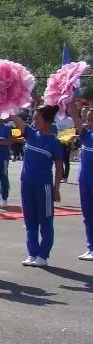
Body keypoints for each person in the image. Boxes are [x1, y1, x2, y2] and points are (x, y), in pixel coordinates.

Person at [12, 104, 65, 267]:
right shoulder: (31, 134)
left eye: (37, 118)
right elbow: (15, 119)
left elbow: (58, 168)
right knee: (30, 221)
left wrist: (56, 189)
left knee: (46, 221)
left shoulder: (54, 143)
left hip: (44, 187)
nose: (33, 121)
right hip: (26, 184)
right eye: (33, 118)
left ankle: (43, 255)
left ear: (47, 121)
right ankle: (32, 253)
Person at [75, 99, 93, 262]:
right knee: (87, 215)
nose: (88, 121)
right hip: (84, 180)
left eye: (90, 118)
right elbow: (75, 116)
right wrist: (68, 101)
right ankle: (91, 247)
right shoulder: (85, 135)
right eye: (87, 118)